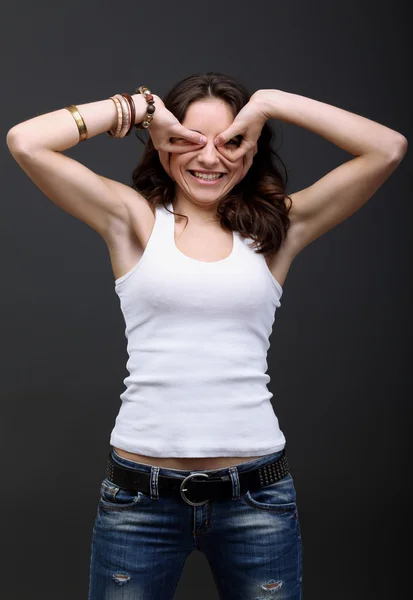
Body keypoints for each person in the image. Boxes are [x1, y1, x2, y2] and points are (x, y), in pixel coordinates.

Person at [6, 72, 407, 599]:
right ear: (164, 143)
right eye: (191, 140)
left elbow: (388, 148)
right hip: (139, 500)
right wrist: (141, 107)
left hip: (256, 498)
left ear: (252, 146)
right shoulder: (132, 218)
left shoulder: (277, 229)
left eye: (230, 141)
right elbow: (25, 141)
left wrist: (271, 103)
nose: (210, 158)